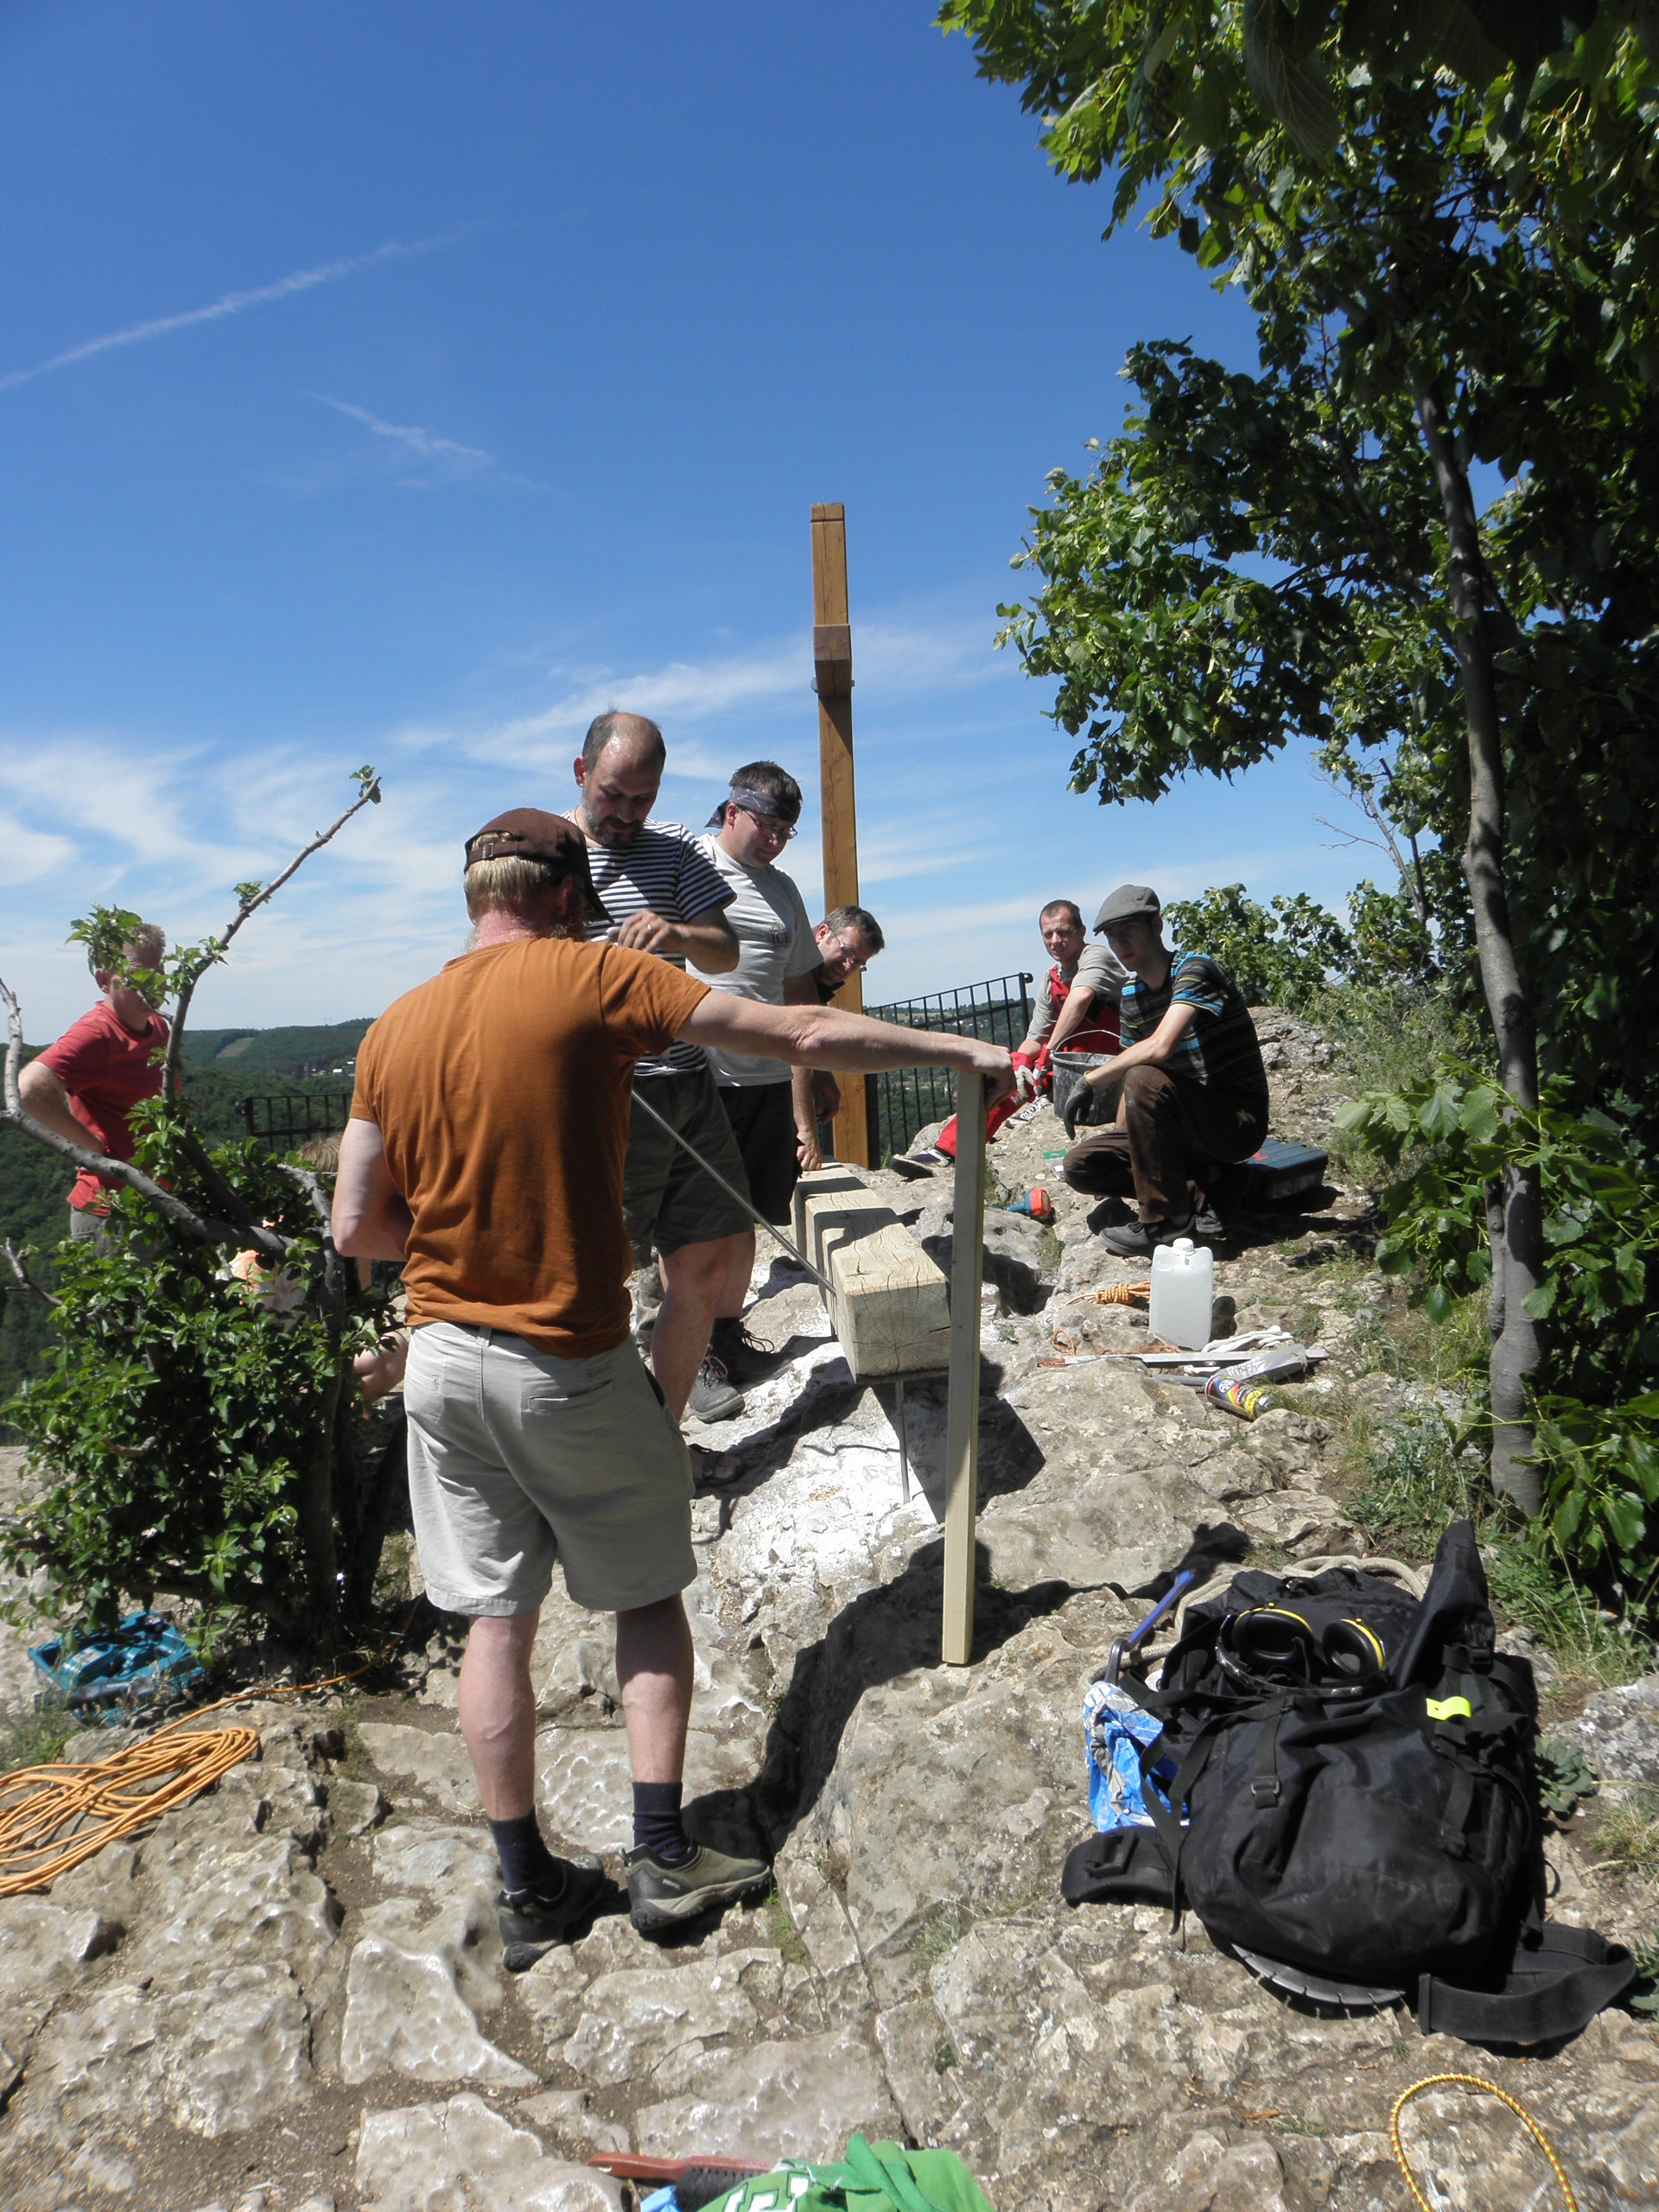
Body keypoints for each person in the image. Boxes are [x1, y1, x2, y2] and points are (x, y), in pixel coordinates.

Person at [332, 807, 1013, 1961]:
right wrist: (957, 1053)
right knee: (645, 1592)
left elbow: (359, 1223)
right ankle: (663, 1856)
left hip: (440, 1362)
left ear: (474, 898)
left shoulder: (393, 1026)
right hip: (564, 1351)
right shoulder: (591, 976)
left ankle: (530, 1888)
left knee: (496, 1619)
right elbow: (793, 1030)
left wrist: (468, 1251)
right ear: (563, 897)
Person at [565, 710, 754, 1428]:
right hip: (606, 1097)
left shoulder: (674, 848)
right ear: (582, 773)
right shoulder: (549, 850)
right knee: (601, 1277)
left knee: (703, 1262)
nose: (628, 814)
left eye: (643, 798)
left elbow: (723, 952)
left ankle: (663, 1433)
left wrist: (675, 931)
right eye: (615, 795)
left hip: (686, 1083)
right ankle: (594, 1432)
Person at [695, 765, 824, 1375]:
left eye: (785, 831)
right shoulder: (691, 864)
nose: (774, 840)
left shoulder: (785, 892)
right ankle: (689, 1347)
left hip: (767, 1080)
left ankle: (725, 1336)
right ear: (731, 812)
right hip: (698, 1075)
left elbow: (800, 995)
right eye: (766, 826)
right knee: (697, 1220)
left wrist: (807, 1102)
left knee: (748, 1214)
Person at [1059, 884, 1268, 1256]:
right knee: (1081, 1166)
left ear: (1156, 925)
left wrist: (1090, 1080)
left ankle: (1166, 1224)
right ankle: (1212, 1186)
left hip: (1234, 1122)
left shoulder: (1196, 969)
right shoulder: (1132, 995)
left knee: (1145, 1076)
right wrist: (1131, 1145)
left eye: (1129, 931)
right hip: (1180, 1128)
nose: (1121, 943)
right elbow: (1131, 1081)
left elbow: (1159, 1048)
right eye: (1112, 936)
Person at [19, 921, 170, 1243]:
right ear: (104, 979)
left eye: (158, 971)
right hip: (112, 1216)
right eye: (138, 973)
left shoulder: (158, 1027)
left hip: (155, 1204)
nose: (151, 983)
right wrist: (93, 1147)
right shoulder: (97, 1032)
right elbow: (29, 1090)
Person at [804, 905, 885, 1145]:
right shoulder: (793, 965)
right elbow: (794, 1047)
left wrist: (821, 1073)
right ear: (823, 933)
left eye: (859, 962)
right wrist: (805, 1130)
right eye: (847, 952)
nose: (848, 967)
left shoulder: (816, 974)